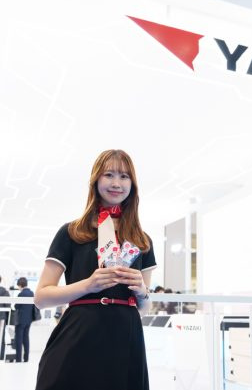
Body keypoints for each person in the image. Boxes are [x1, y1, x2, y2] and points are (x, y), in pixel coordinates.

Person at [34, 149, 157, 390]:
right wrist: (88, 285)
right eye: (109, 174)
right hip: (79, 334)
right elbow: (41, 297)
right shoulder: (72, 232)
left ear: (132, 184)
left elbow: (144, 308)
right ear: (95, 180)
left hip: (126, 339)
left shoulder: (142, 240)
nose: (116, 183)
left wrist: (142, 290)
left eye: (124, 176)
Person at [14, 277, 34, 363]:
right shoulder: (31, 293)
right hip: (29, 319)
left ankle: (18, 359)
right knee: (26, 338)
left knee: (19, 339)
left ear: (20, 285)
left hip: (20, 320)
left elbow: (16, 306)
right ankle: (26, 358)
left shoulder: (21, 294)